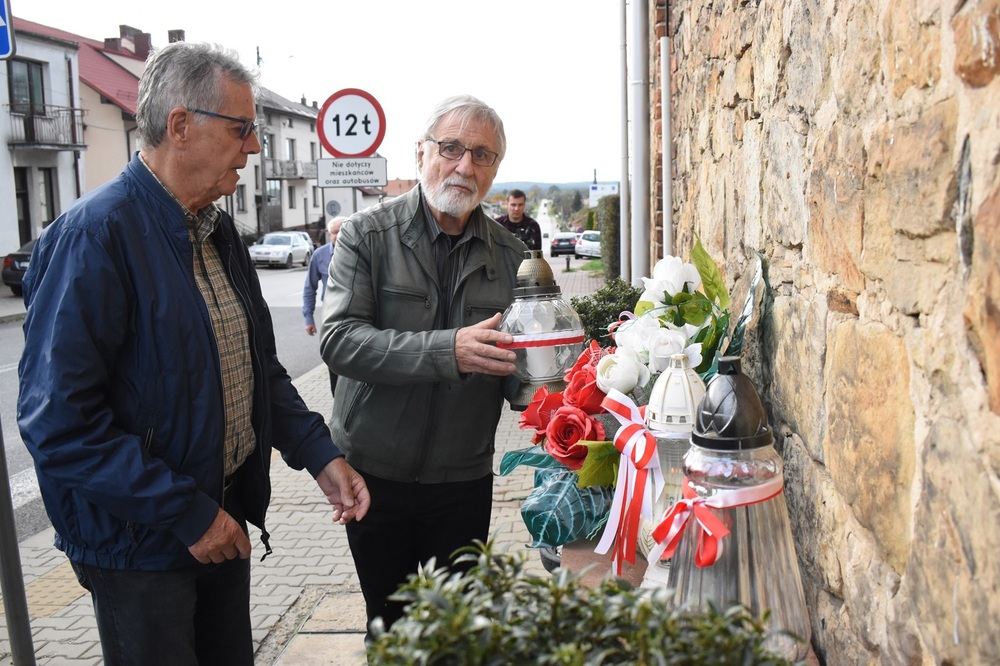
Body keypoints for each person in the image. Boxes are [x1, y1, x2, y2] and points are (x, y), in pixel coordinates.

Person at [17, 42, 369, 666]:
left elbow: (258, 366)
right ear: (180, 126)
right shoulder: (95, 236)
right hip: (143, 543)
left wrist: (318, 454)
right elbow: (59, 423)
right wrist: (187, 515)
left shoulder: (217, 230)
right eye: (242, 129)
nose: (255, 147)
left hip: (219, 520)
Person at [320, 95, 528, 639]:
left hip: (462, 479)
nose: (465, 166)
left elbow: (525, 376)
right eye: (452, 148)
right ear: (421, 154)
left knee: (456, 635)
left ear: (496, 169)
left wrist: (578, 391)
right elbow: (339, 340)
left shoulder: (511, 259)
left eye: (482, 155)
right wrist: (447, 351)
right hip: (373, 473)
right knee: (390, 629)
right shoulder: (367, 235)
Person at [303, 216, 346, 394]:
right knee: (334, 357)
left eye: (344, 230)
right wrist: (308, 318)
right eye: (336, 232)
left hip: (359, 313)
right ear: (329, 234)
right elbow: (309, 287)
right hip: (331, 315)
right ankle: (337, 402)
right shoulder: (319, 255)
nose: (340, 235)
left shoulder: (363, 250)